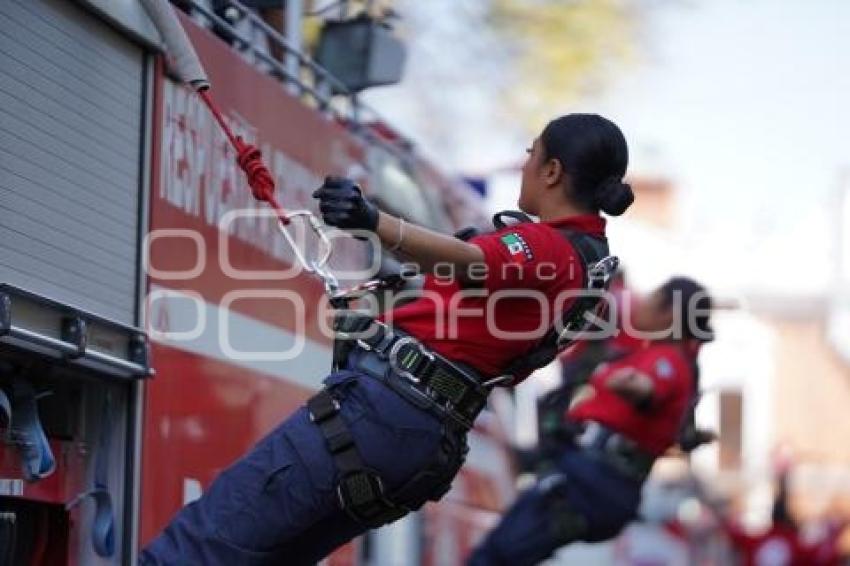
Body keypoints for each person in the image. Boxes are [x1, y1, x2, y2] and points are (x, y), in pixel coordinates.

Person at [140, 113, 635, 565]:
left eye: (532, 153)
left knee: (198, 546)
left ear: (552, 172)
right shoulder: (586, 264)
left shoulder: (547, 245)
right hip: (419, 438)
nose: (525, 163)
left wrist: (373, 222)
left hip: (382, 414)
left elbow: (475, 264)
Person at [467, 276, 715, 566]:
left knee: (494, 557)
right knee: (502, 556)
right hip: (590, 477)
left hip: (593, 482)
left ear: (669, 313)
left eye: (651, 299)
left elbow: (647, 387)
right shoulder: (647, 352)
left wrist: (631, 384)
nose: (642, 304)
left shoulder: (668, 361)